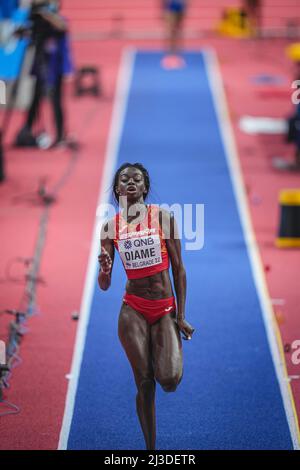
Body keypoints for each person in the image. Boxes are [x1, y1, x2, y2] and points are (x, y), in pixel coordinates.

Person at [98, 162, 195, 450]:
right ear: (117, 189)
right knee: (144, 382)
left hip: (164, 308)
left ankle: (161, 349)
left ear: (145, 187)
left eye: (136, 179)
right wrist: (104, 270)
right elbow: (104, 285)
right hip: (133, 309)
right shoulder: (109, 227)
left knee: (169, 380)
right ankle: (150, 450)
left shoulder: (163, 218)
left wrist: (181, 315)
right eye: (124, 179)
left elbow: (179, 270)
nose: (130, 182)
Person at [15, 0, 73, 148]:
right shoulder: (36, 21)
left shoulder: (57, 19)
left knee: (55, 101)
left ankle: (60, 136)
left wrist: (47, 14)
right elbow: (23, 34)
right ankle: (27, 131)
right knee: (35, 101)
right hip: (39, 65)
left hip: (55, 67)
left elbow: (63, 26)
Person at [161, 0, 188, 68]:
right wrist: (164, 9)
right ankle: (170, 47)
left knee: (178, 30)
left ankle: (177, 47)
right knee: (171, 30)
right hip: (171, 7)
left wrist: (185, 7)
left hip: (179, 7)